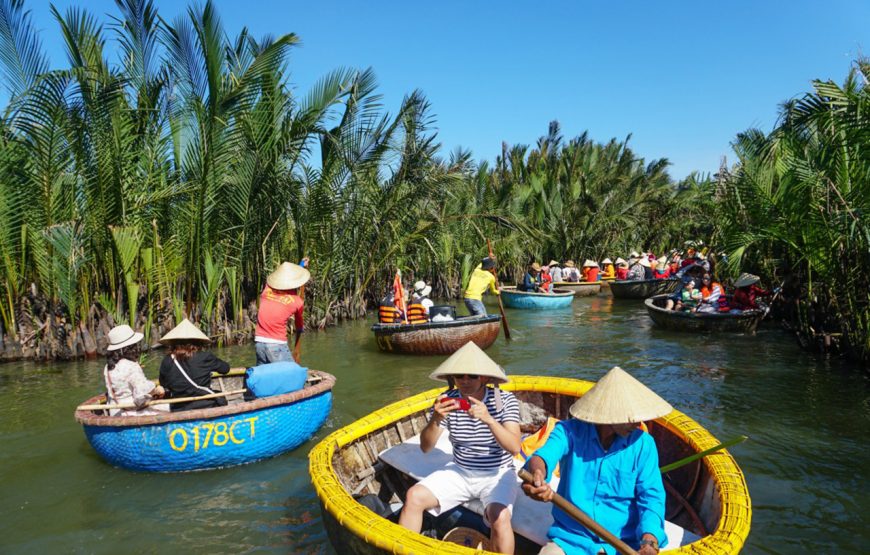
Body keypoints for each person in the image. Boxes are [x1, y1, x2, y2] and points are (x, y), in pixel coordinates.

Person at [521, 366, 670, 555]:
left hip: (622, 544)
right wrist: (538, 475)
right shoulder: (568, 432)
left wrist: (650, 541)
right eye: (629, 417)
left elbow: (651, 498)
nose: (637, 423)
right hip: (572, 541)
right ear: (608, 414)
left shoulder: (644, 445)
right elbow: (542, 457)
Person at [398, 342, 521, 554]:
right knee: (413, 496)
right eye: (459, 376)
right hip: (461, 470)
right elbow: (426, 447)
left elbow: (515, 447)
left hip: (497, 473)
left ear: (484, 378)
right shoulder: (447, 402)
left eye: (471, 376)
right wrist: (436, 419)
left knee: (500, 518)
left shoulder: (504, 401)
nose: (465, 381)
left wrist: (489, 420)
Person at [158, 319, 232, 412]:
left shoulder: (167, 361)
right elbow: (225, 369)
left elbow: (163, 384)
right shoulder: (205, 356)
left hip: (179, 408)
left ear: (173, 343)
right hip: (206, 405)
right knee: (220, 396)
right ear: (198, 341)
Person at [254, 260, 310, 365]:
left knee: (265, 377)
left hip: (259, 344)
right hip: (277, 346)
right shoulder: (297, 302)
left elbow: (280, 280)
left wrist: (301, 265)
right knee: (291, 376)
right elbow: (299, 326)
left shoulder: (266, 292)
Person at [102, 325, 165, 416]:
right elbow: (140, 396)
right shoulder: (131, 366)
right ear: (130, 347)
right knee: (169, 407)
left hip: (114, 410)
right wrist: (156, 390)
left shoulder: (107, 367)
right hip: (133, 411)